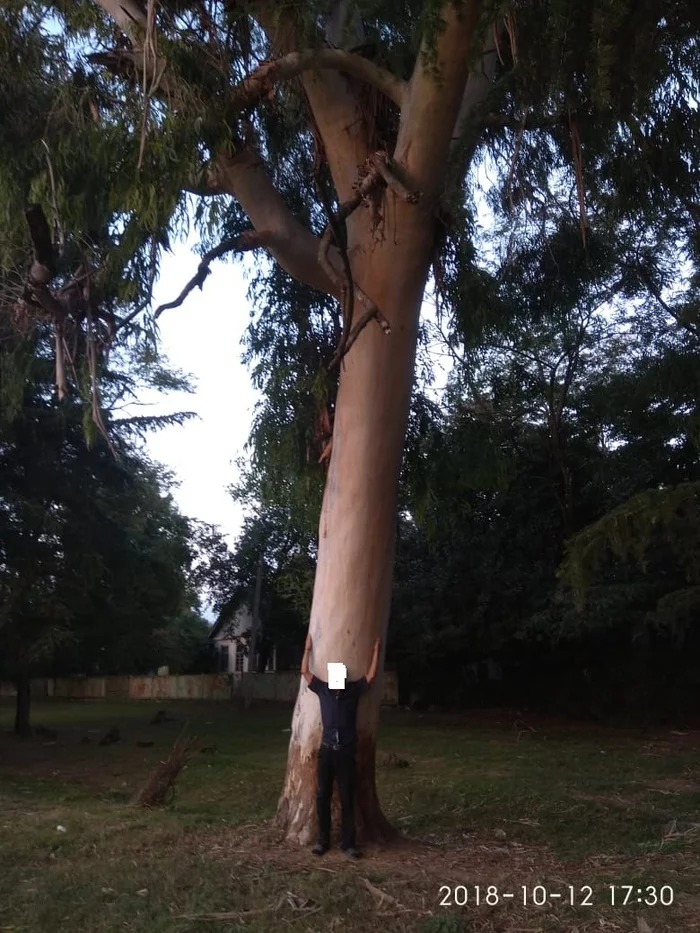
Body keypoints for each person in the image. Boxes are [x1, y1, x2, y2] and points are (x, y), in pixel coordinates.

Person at [301, 632, 381, 859]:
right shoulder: (323, 689)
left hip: (346, 751)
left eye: (341, 675)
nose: (338, 679)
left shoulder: (353, 691)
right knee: (322, 795)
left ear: (344, 677)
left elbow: (371, 676)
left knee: (347, 797)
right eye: (335, 675)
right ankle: (322, 841)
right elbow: (305, 672)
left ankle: (348, 843)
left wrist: (376, 651)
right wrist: (307, 649)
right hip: (326, 751)